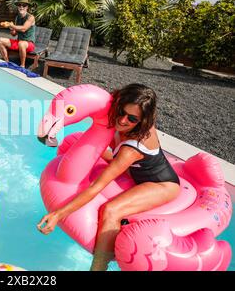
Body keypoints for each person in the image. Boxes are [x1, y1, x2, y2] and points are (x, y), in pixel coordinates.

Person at [36, 83, 181, 271]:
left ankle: (98, 266)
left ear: (142, 121)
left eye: (132, 118)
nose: (122, 120)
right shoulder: (123, 112)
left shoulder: (131, 149)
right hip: (133, 168)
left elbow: (96, 187)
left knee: (111, 211)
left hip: (160, 183)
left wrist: (58, 214)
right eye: (121, 111)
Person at [0, 0, 36, 68]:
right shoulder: (17, 17)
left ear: (27, 7)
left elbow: (24, 29)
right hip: (19, 42)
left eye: (24, 5)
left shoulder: (31, 17)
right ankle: (6, 62)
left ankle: (22, 66)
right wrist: (11, 29)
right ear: (18, 7)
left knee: (21, 44)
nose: (21, 7)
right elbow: (14, 34)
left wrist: (12, 25)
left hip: (29, 44)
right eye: (19, 5)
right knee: (0, 40)